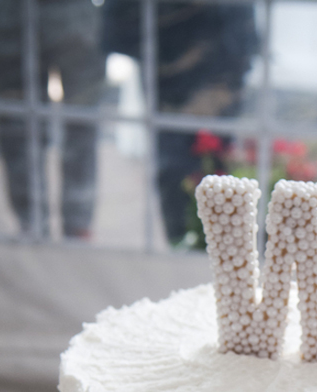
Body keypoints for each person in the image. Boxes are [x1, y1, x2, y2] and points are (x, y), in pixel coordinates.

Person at [102, 0, 259, 243]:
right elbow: (122, 25)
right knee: (174, 170)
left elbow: (243, 36)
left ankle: (216, 246)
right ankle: (182, 240)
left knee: (220, 168)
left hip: (220, 68)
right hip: (168, 75)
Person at [0, 0, 105, 238]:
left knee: (78, 121)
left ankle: (71, 226)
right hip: (13, 14)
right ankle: (37, 225)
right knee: (19, 121)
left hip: (61, 15)